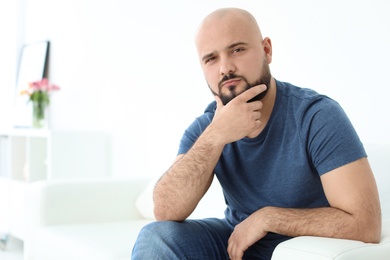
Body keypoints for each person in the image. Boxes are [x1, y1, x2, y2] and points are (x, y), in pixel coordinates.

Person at [132, 7, 381, 260]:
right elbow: (165, 210)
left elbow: (365, 224)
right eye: (211, 59)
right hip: (236, 245)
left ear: (267, 50)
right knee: (156, 237)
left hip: (303, 249)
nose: (225, 68)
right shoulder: (208, 127)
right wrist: (216, 135)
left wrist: (268, 218)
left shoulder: (316, 115)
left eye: (237, 50)